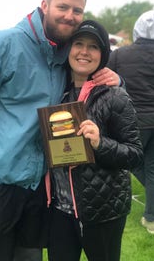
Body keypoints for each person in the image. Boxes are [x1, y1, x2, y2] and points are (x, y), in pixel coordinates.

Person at [0, 0, 121, 261]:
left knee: (30, 257)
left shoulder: (65, 53)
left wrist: (117, 80)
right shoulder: (2, 45)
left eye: (77, 10)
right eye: (62, 7)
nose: (69, 15)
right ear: (45, 5)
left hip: (38, 184)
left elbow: (95, 86)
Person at [47, 20, 143, 261]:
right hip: (60, 211)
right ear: (68, 48)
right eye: (78, 43)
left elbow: (134, 154)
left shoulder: (115, 96)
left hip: (103, 210)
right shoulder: (55, 92)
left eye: (93, 47)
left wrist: (101, 144)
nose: (84, 52)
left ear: (103, 54)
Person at [107, 10, 154, 234]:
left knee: (131, 162)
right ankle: (151, 220)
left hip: (133, 120)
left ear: (138, 30)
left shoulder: (121, 55)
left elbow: (105, 80)